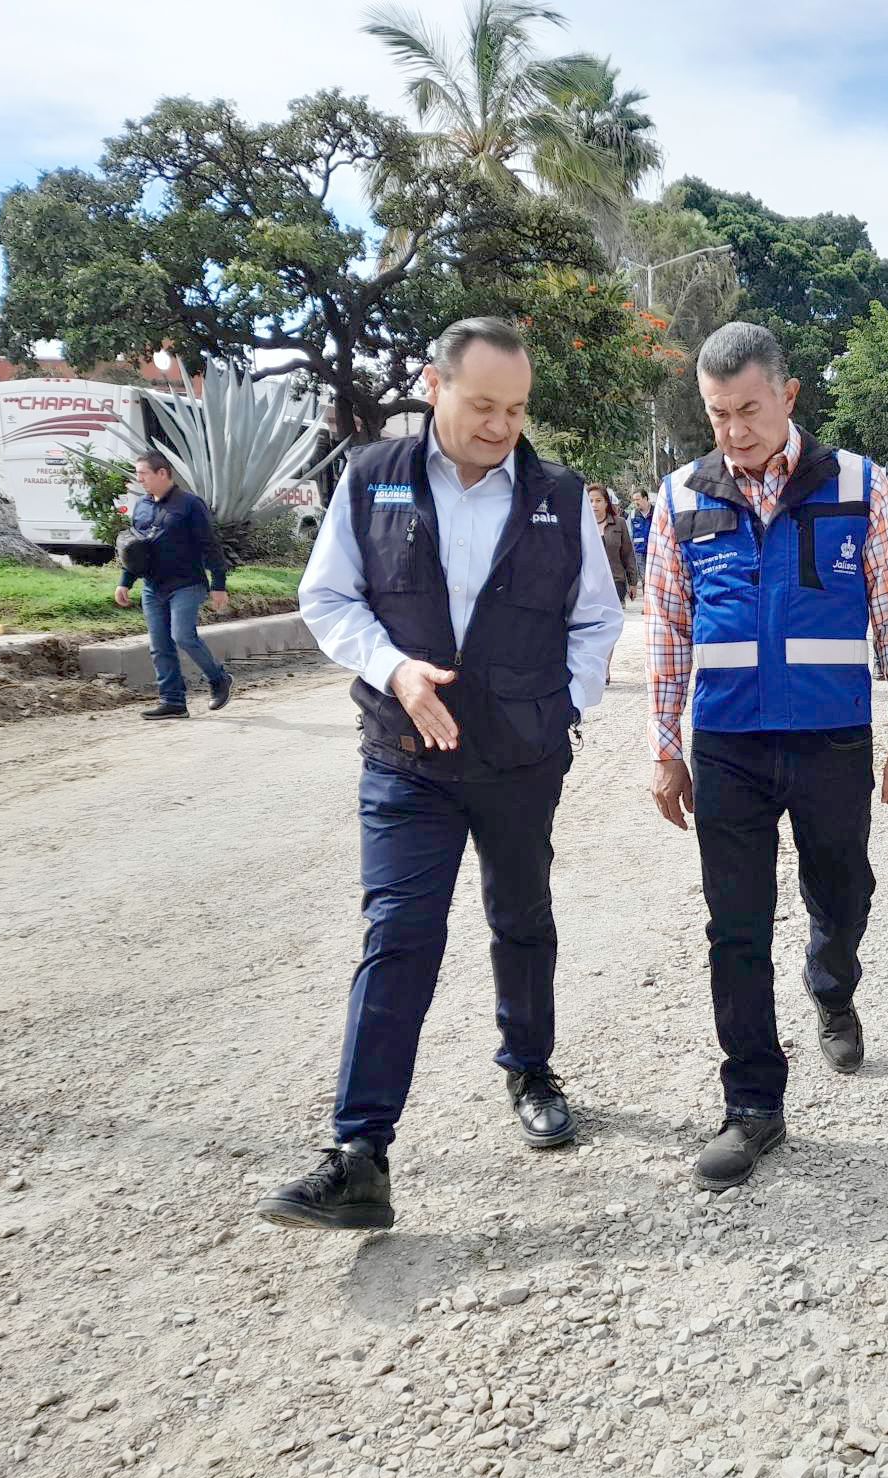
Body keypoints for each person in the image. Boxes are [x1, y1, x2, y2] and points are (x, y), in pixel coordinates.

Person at [254, 316, 623, 1232]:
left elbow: (596, 619)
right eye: (484, 405)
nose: (503, 426)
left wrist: (564, 707)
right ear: (434, 387)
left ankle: (530, 1068)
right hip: (405, 756)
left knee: (520, 916)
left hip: (520, 758)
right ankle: (360, 1154)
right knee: (400, 932)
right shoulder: (372, 476)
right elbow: (327, 597)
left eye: (517, 408)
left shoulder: (558, 494)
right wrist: (395, 668)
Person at [645, 321, 888, 1193]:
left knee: (843, 886)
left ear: (789, 395)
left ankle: (832, 983)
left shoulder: (858, 485)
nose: (733, 431)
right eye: (717, 414)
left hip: (830, 737)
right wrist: (664, 748)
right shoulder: (681, 497)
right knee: (734, 925)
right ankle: (753, 1105)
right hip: (727, 745)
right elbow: (667, 627)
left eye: (749, 410)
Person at [113, 451, 234, 719]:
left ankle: (218, 679)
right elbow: (135, 549)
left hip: (187, 584)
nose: (139, 479)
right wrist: (125, 582)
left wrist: (218, 584)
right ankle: (173, 702)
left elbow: (210, 545)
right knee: (159, 645)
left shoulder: (190, 504)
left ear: (163, 473)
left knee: (182, 636)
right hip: (153, 587)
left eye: (143, 473)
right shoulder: (142, 506)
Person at [592, 485, 641, 604]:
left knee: (611, 619)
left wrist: (632, 583)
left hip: (615, 582)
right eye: (590, 501)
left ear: (606, 503)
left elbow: (628, 555)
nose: (594, 505)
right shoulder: (582, 525)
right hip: (590, 584)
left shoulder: (619, 523)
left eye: (598, 501)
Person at [628, 488, 653, 568]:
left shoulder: (656, 512)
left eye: (637, 499)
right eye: (634, 500)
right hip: (639, 553)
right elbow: (629, 535)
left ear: (645, 498)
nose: (635, 502)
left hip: (655, 552)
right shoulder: (632, 515)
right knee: (643, 579)